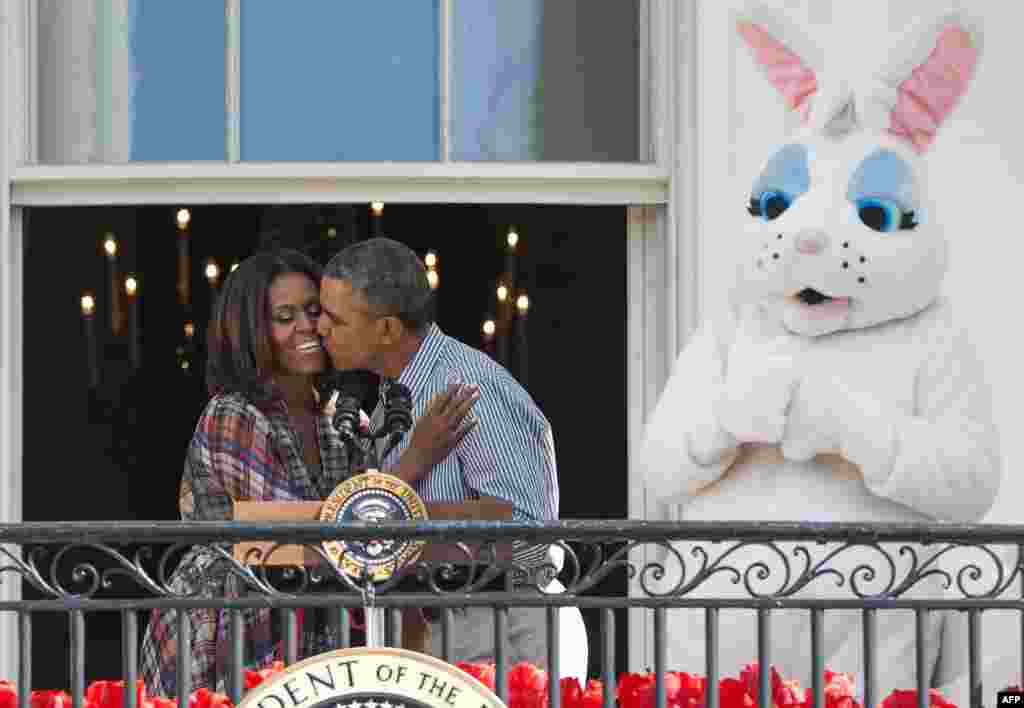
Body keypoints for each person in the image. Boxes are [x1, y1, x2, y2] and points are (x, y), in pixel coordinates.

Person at [139, 248, 475, 696]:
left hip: (318, 626)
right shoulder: (232, 415)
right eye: (284, 315)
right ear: (251, 330)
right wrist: (415, 459)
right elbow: (291, 535)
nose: (307, 326)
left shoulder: (339, 417)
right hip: (227, 622)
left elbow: (375, 530)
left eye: (315, 311)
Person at [317, 237, 587, 677]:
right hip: (445, 628)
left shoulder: (467, 387)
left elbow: (525, 527)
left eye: (335, 318)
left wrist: (395, 510)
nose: (321, 329)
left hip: (503, 630)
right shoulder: (396, 395)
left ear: (386, 330)